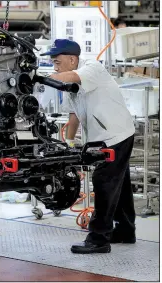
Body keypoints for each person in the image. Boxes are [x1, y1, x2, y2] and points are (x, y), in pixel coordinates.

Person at [41, 39, 136, 254]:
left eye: (57, 63)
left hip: (115, 135)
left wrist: (38, 79)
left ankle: (98, 238)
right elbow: (73, 117)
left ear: (72, 59)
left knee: (105, 182)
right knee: (120, 185)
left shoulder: (91, 68)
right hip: (105, 136)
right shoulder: (70, 83)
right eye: (53, 64)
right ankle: (125, 230)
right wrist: (69, 144)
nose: (55, 67)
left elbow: (71, 77)